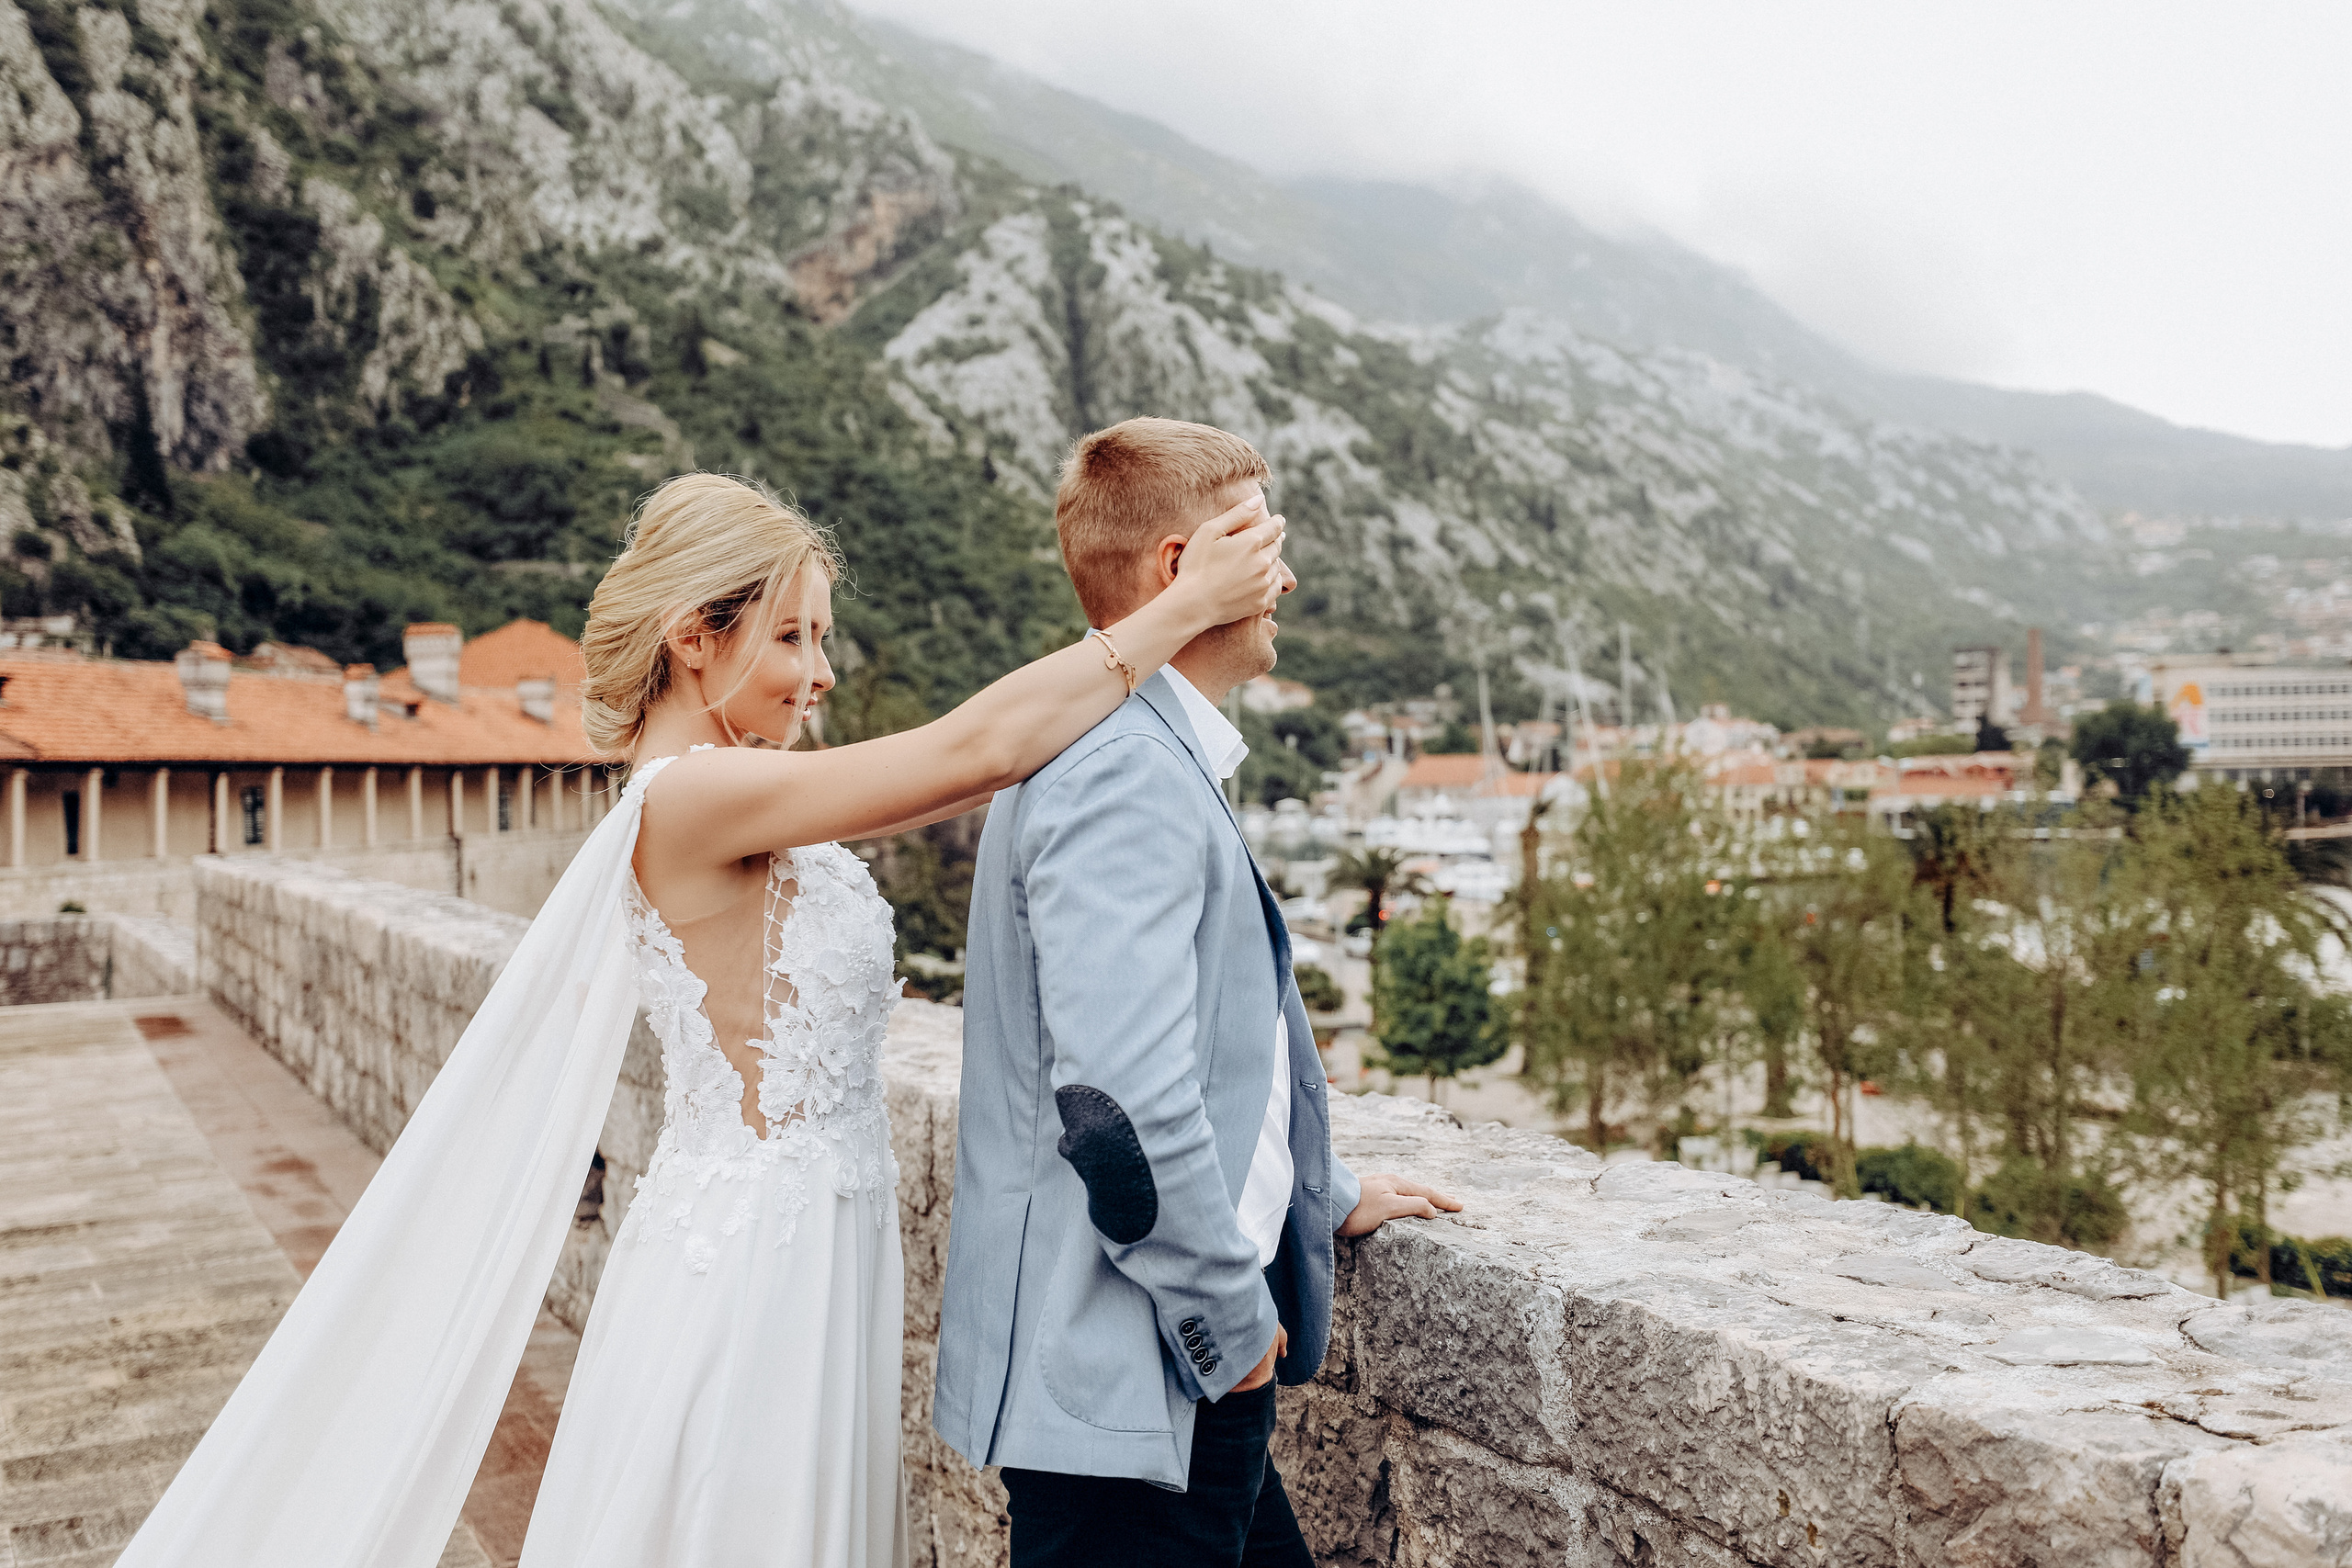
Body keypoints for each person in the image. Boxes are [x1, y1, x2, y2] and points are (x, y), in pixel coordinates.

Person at [114, 470, 1286, 1568]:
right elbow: (974, 751)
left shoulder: (738, 791)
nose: (817, 671)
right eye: (790, 635)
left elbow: (985, 766)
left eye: (821, 636)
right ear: (691, 639)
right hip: (758, 1258)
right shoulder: (692, 794)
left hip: (817, 1235)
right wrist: (1178, 609)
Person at [935, 418, 1463, 1568]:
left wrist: (1314, 1195)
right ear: (1181, 569)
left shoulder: (1125, 748)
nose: (1286, 575)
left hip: (1151, 1382)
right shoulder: (1124, 771)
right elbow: (1115, 1106)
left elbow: (1216, 1056)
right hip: (1143, 1378)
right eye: (1262, 541)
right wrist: (1230, 1325)